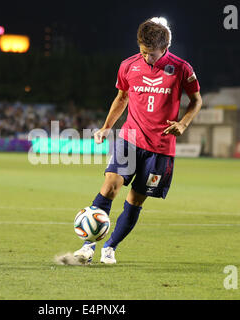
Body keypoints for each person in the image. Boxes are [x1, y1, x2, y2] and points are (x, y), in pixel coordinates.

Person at [72, 17, 203, 264]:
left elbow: (197, 101)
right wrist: (105, 127)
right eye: (143, 52)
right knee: (110, 185)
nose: (146, 58)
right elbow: (121, 98)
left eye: (151, 54)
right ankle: (87, 246)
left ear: (165, 48)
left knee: (135, 200)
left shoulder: (182, 68)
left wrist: (183, 124)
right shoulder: (128, 66)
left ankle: (110, 247)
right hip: (130, 138)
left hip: (161, 149)